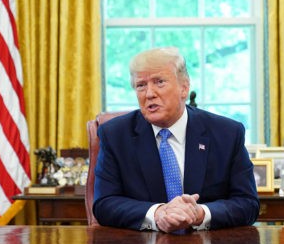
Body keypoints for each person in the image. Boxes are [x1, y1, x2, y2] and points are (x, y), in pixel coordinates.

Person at [93, 47, 259, 233]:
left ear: (184, 88)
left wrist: (200, 214)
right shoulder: (115, 135)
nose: (149, 94)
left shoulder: (227, 133)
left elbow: (247, 204)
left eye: (159, 82)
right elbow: (104, 204)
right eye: (141, 85)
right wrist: (158, 213)